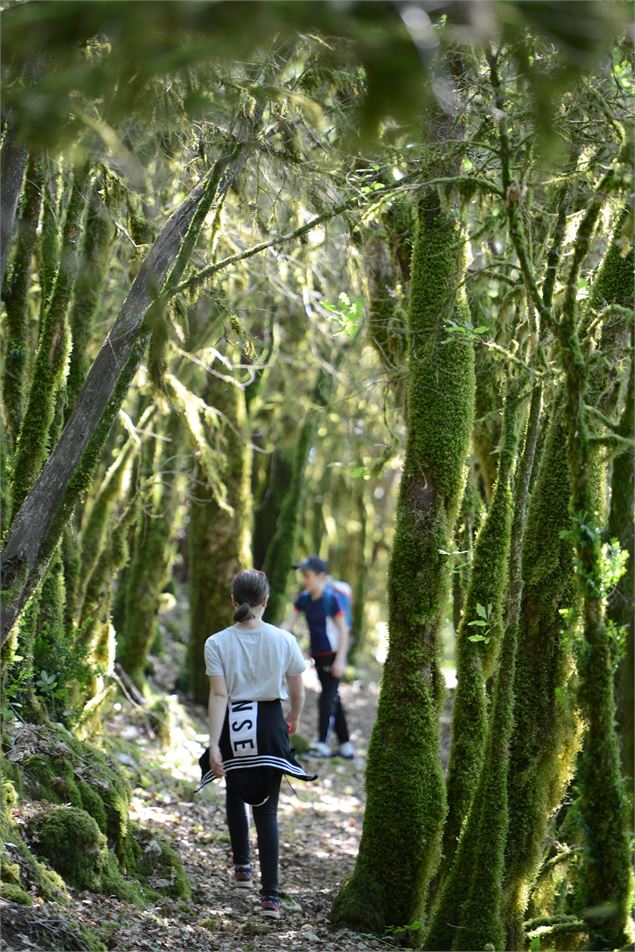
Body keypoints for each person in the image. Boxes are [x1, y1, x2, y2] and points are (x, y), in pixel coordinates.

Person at [201, 569, 317, 919]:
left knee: (235, 791)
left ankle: (242, 867)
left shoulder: (216, 642)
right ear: (266, 602)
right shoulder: (284, 640)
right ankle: (270, 898)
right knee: (266, 811)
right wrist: (293, 717)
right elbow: (297, 690)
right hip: (268, 724)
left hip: (233, 726)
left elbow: (219, 694)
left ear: (234, 601)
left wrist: (215, 745)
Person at [281, 555, 354, 760]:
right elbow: (289, 623)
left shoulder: (332, 599)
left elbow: (343, 631)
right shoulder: (304, 599)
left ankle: (321, 744)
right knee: (333, 698)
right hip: (318, 656)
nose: (304, 580)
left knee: (326, 699)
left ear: (321, 576)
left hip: (333, 656)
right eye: (303, 576)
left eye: (308, 575)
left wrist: (340, 660)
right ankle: (346, 746)